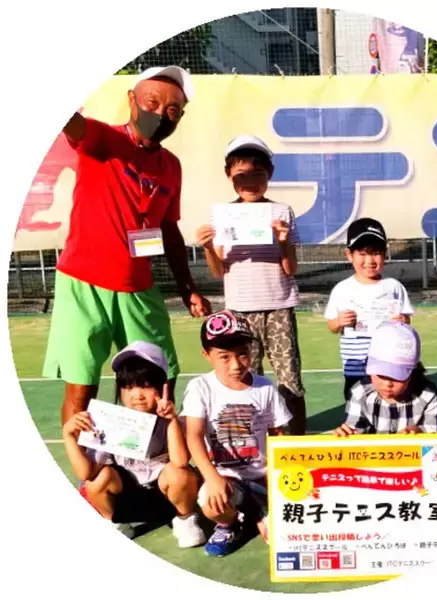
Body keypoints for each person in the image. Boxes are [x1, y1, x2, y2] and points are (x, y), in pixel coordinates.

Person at [44, 66, 212, 426]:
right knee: (81, 389)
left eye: (172, 110)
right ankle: (82, 460)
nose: (160, 114)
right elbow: (71, 123)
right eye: (152, 103)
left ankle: (155, 454)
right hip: (83, 284)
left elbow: (169, 229)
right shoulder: (104, 140)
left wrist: (188, 288)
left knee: (160, 382)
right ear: (132, 101)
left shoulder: (171, 167)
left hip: (138, 287)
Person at [196, 135, 306, 435]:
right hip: (240, 311)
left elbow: (291, 268)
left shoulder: (281, 211)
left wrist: (283, 242)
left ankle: (295, 441)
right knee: (246, 376)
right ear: (229, 175)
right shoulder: (222, 215)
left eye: (258, 174)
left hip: (279, 306)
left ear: (270, 173)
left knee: (290, 379)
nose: (250, 182)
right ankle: (253, 442)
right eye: (241, 175)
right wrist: (207, 247)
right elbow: (218, 271)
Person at [62, 341, 205, 547]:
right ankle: (117, 523)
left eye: (146, 386)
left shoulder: (172, 421)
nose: (137, 395)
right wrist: (68, 435)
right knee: (96, 481)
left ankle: (184, 520)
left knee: (181, 474)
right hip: (127, 498)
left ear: (162, 387)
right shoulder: (109, 421)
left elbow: (180, 461)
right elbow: (86, 473)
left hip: (164, 498)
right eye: (128, 387)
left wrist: (171, 421)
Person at [181, 310, 292, 557]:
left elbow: (278, 434)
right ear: (206, 355)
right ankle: (229, 524)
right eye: (224, 357)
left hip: (264, 476)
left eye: (243, 353)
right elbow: (194, 436)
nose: (236, 364)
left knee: (286, 536)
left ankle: (260, 510)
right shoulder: (200, 387)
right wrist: (212, 478)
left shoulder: (264, 387)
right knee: (212, 503)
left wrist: (280, 475)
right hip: (226, 476)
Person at [324, 218, 414, 401]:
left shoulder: (393, 286)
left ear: (385, 254)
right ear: (349, 255)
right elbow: (331, 326)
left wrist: (403, 320)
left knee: (387, 405)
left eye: (376, 253)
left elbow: (406, 319)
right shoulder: (342, 289)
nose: (369, 260)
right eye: (362, 254)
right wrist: (339, 321)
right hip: (355, 366)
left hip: (388, 365)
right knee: (356, 407)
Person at [334, 322, 437, 436]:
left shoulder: (428, 394)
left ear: (413, 372)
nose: (387, 383)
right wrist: (348, 434)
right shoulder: (359, 393)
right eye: (380, 375)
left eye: (397, 376)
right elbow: (355, 430)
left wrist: (419, 431)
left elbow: (436, 434)